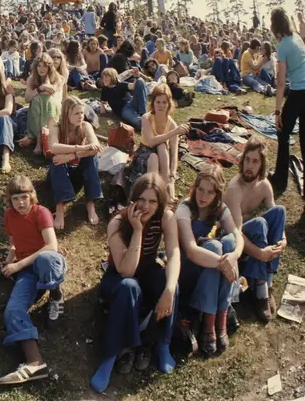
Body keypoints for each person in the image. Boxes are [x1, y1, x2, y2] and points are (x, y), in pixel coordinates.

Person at [90, 173, 180, 393]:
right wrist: (138, 230)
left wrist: (169, 290)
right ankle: (110, 356)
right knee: (130, 287)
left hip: (148, 267)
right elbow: (126, 270)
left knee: (172, 284)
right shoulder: (117, 222)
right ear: (133, 198)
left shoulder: (165, 218)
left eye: (152, 201)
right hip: (119, 277)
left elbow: (174, 252)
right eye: (142, 199)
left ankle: (161, 343)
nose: (146, 206)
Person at [0, 175, 66, 385]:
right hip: (27, 271)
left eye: (24, 197)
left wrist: (17, 264)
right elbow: (14, 243)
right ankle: (35, 363)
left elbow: (51, 246)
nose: (20, 202)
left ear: (32, 196)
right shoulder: (9, 215)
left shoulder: (41, 212)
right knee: (12, 311)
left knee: (45, 259)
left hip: (49, 262)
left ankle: (56, 294)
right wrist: (8, 263)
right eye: (16, 198)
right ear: (10, 199)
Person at [176, 165, 244, 356]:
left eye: (210, 192)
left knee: (229, 242)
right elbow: (190, 250)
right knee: (215, 248)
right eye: (200, 189)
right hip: (187, 269)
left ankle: (218, 319)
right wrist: (224, 264)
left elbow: (237, 235)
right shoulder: (185, 208)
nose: (203, 196)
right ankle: (208, 322)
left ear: (217, 193)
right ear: (195, 188)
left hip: (210, 270)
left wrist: (234, 256)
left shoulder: (220, 208)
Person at [224, 139, 286, 323]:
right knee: (259, 224)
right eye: (247, 160)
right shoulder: (235, 189)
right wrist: (259, 253)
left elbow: (276, 219)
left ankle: (266, 280)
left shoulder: (264, 185)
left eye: (255, 161)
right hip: (234, 239)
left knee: (280, 211)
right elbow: (235, 231)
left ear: (262, 165)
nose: (249, 166)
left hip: (253, 235)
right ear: (242, 161)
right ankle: (260, 292)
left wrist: (283, 239)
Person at [47, 96, 103, 229]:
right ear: (67, 114)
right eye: (76, 113)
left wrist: (72, 155)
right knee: (56, 160)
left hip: (77, 173)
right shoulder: (56, 127)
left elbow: (96, 147)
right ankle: (60, 207)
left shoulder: (85, 126)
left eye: (82, 113)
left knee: (91, 158)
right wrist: (81, 148)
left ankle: (90, 204)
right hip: (59, 175)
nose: (80, 116)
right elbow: (53, 147)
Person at [270, 7, 305, 192]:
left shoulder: (283, 45)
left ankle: (280, 179)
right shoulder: (297, 38)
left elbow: (281, 83)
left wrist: (277, 112)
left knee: (283, 134)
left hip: (298, 93)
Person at [132, 84, 188, 199]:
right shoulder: (146, 118)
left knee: (162, 146)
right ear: (153, 103)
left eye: (164, 102)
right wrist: (174, 133)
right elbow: (151, 141)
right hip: (145, 152)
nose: (161, 105)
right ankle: (154, 194)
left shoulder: (171, 124)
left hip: (163, 159)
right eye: (158, 102)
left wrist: (172, 177)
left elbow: (174, 155)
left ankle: (165, 188)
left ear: (169, 104)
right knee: (154, 157)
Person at [19, 53, 63, 156]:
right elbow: (27, 99)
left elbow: (51, 91)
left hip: (53, 107)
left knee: (45, 99)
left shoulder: (57, 77)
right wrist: (40, 88)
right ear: (35, 67)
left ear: (49, 67)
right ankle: (40, 138)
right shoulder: (31, 78)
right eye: (39, 65)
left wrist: (45, 84)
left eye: (44, 65)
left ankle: (43, 138)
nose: (41, 69)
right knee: (36, 100)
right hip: (38, 107)